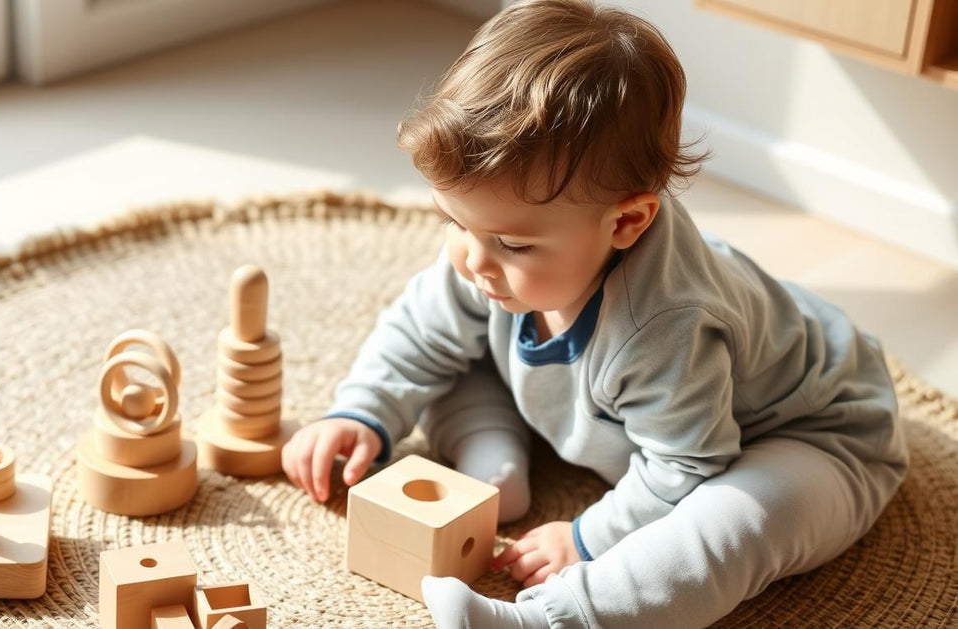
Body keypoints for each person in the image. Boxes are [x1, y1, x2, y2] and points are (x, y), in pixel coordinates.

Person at [280, 1, 909, 626]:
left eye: (513, 243)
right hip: (652, 396)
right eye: (454, 221)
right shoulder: (497, 251)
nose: (473, 260)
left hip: (813, 434)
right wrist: (362, 410)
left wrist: (585, 538)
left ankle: (553, 621)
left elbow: (686, 467)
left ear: (627, 223)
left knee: (737, 523)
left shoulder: (664, 328)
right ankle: (489, 457)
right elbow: (420, 333)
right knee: (459, 345)